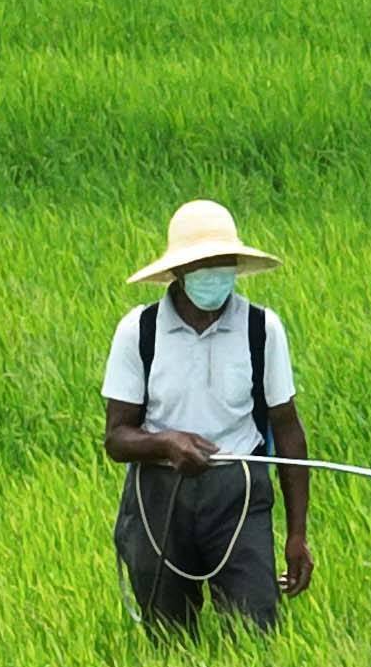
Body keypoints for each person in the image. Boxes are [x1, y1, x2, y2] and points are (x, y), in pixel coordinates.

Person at [102, 200, 312, 633]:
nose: (215, 274)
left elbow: (287, 430)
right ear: (180, 271)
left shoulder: (261, 329)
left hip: (238, 490)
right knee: (168, 633)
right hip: (159, 494)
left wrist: (296, 534)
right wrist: (165, 443)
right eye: (204, 263)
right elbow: (117, 439)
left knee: (256, 629)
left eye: (224, 262)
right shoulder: (139, 332)